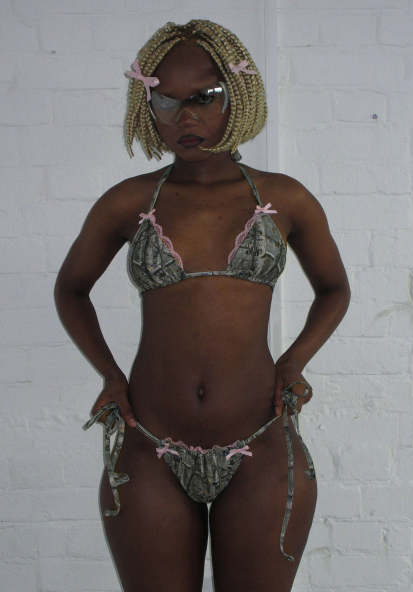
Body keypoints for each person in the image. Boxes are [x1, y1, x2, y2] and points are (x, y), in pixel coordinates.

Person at [54, 19, 351, 592]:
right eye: (165, 100)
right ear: (148, 106)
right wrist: (111, 376)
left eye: (204, 97)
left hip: (261, 442)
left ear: (236, 95)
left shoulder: (284, 197)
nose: (184, 117)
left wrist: (294, 362)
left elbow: (334, 288)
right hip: (149, 446)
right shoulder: (128, 201)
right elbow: (71, 289)